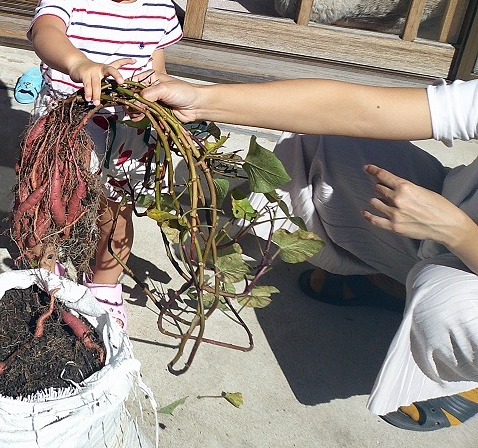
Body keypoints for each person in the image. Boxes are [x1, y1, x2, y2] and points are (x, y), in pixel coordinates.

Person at [139, 72, 478, 432]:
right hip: (455, 212)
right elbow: (357, 110)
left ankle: (459, 376)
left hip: (460, 248)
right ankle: (397, 276)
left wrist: (455, 231)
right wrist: (201, 100)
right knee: (328, 137)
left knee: (444, 300)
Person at [27, 0, 184, 329]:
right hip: (68, 130)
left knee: (116, 212)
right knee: (49, 203)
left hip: (126, 137)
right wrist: (78, 63)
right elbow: (46, 34)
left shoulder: (159, 5)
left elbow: (156, 64)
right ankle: (45, 277)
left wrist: (157, 96)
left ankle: (104, 284)